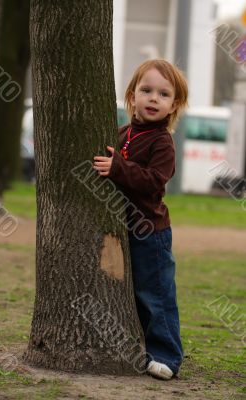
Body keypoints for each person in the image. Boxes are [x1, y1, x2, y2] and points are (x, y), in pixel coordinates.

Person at [93, 59, 188, 380]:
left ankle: (167, 355)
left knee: (156, 293)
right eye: (146, 90)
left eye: (163, 94)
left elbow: (153, 180)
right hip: (125, 229)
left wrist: (118, 167)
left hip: (151, 231)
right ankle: (141, 345)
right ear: (132, 96)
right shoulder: (123, 133)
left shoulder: (163, 143)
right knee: (130, 292)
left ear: (174, 104)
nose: (153, 98)